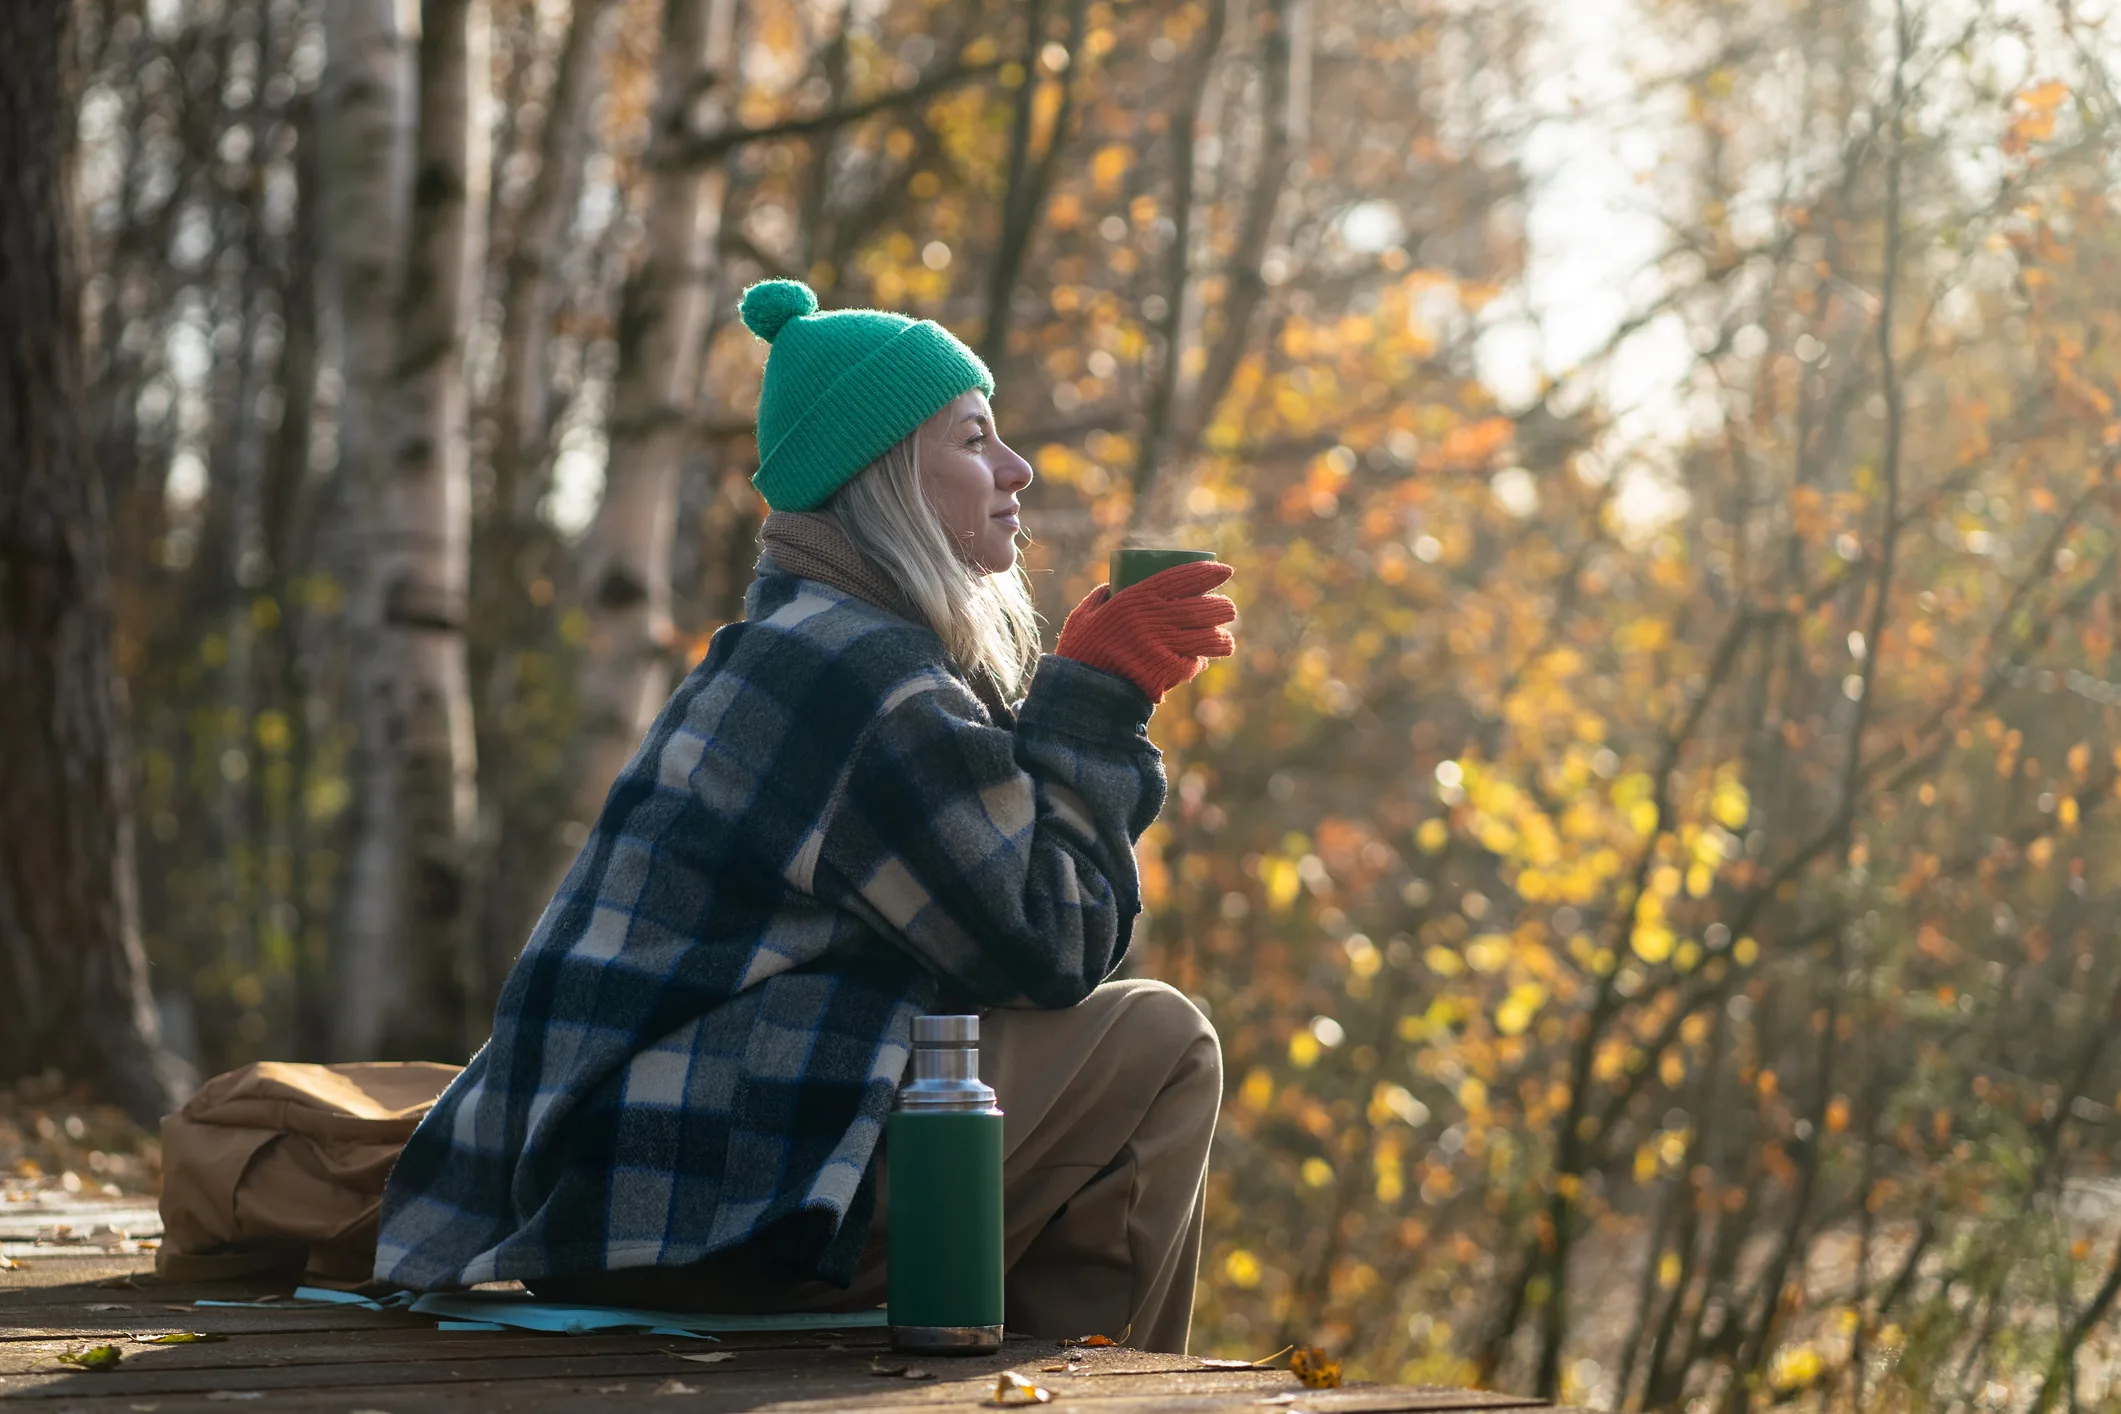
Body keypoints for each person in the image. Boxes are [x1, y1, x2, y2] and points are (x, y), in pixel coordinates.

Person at [372, 279, 1236, 1354]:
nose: (1017, 470)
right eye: (975, 439)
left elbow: (991, 947)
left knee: (1051, 1051)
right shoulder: (859, 676)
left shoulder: (808, 645)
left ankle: (1038, 1374)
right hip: (689, 1207)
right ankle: (1096, 1385)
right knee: (1160, 1039)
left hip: (632, 1195)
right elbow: (1053, 941)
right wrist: (1099, 704)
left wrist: (1070, 701)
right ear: (884, 483)